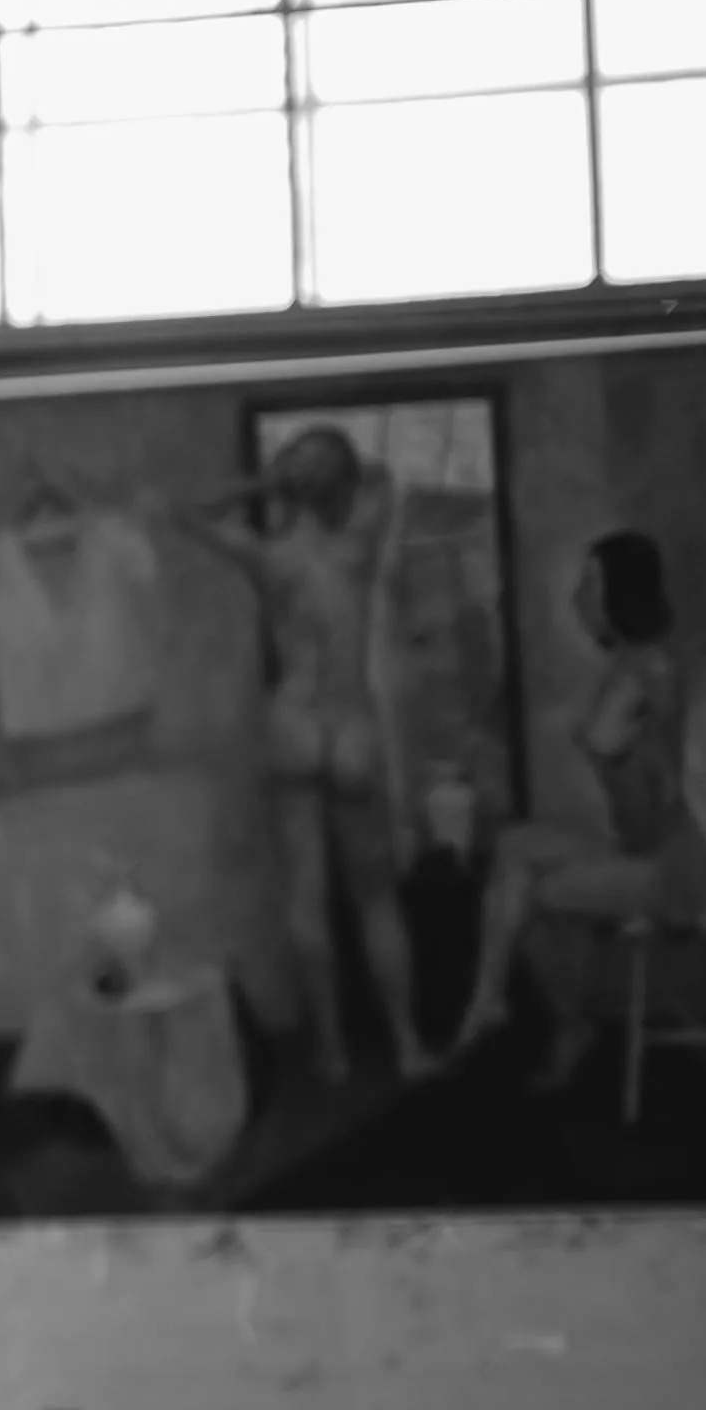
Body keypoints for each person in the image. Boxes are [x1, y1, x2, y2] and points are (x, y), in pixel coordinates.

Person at [172, 425, 436, 1081]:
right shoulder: (362, 541)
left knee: (305, 897)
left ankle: (332, 1050)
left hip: (292, 722)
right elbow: (383, 477)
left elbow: (183, 511)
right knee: (376, 899)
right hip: (349, 725)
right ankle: (407, 1043)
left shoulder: (270, 558)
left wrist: (267, 482)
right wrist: (324, 472)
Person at [456, 530, 706, 1089]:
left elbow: (605, 740)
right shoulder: (644, 662)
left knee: (533, 893)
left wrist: (603, 744)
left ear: (621, 591)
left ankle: (566, 1024)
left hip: (675, 864)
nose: (577, 598)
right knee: (514, 847)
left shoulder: (648, 671)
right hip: (647, 842)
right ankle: (492, 998)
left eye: (589, 584)